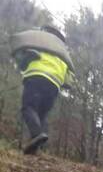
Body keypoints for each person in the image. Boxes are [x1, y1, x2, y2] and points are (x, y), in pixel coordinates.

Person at [12, 25, 71, 155]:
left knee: (28, 107)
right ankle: (37, 149)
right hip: (54, 85)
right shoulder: (62, 54)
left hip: (36, 77)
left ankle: (37, 136)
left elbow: (24, 59)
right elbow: (68, 81)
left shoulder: (38, 42)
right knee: (41, 115)